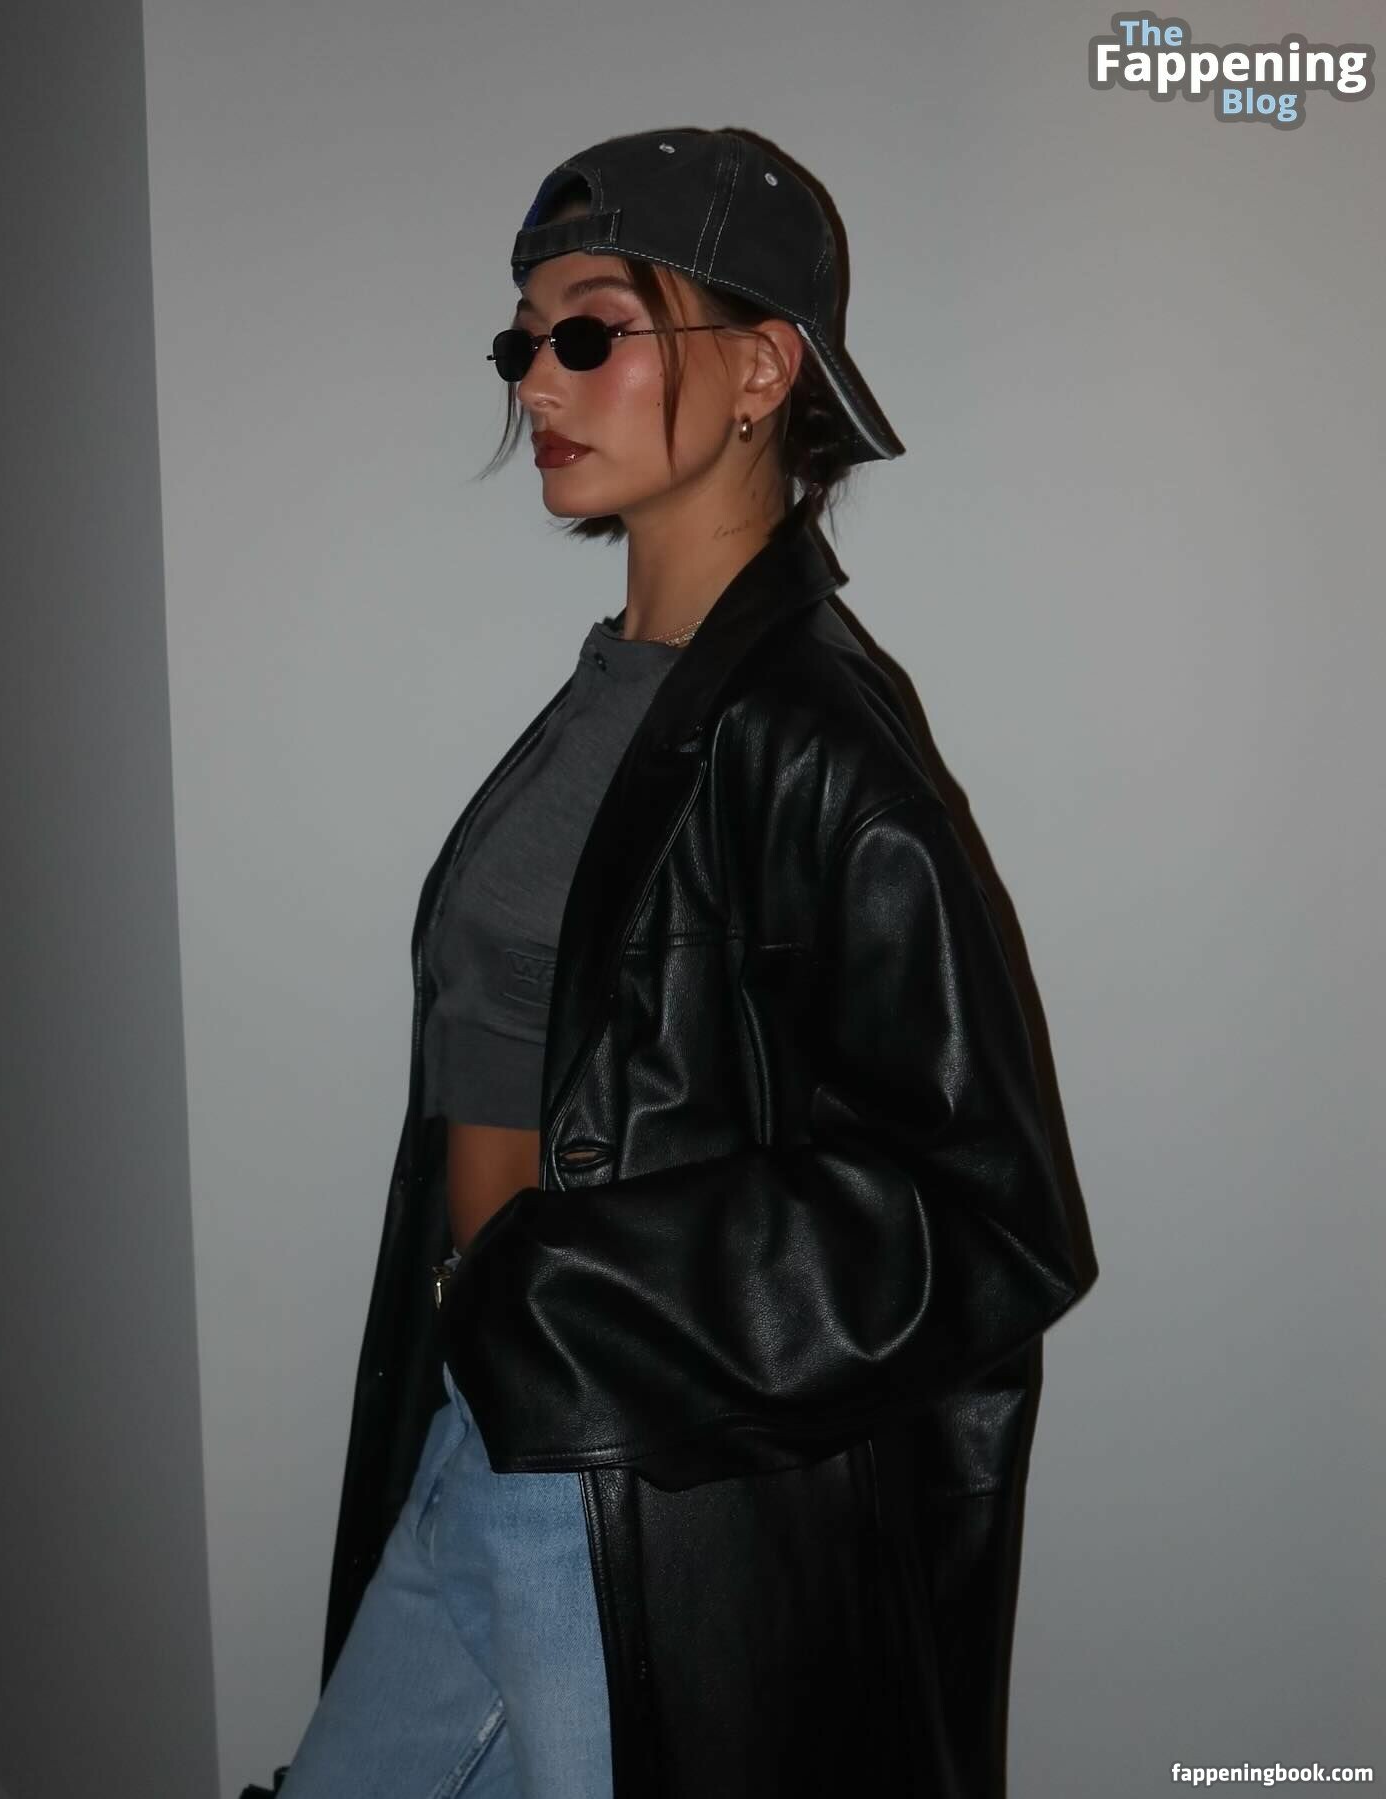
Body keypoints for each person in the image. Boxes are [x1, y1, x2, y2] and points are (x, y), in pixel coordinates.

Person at [275, 125, 1092, 1799]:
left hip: (626, 1481)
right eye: (522, 343)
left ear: (761, 371)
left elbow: (985, 1212)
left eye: (589, 330)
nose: (535, 381)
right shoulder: (619, 692)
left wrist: (563, 1291)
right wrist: (499, 1327)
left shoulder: (814, 734)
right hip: (499, 1423)